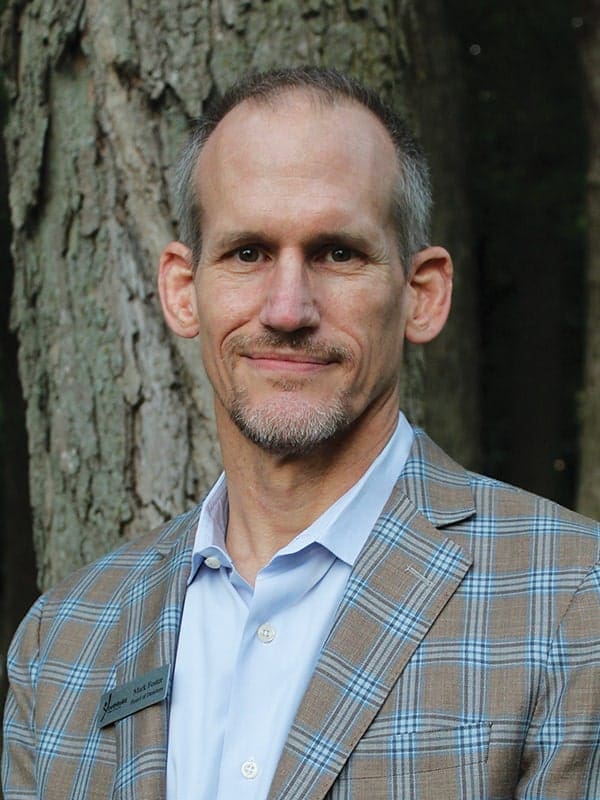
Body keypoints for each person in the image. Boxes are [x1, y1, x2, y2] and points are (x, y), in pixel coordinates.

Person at [3, 66, 599, 800]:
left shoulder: (573, 602)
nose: (288, 309)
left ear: (422, 295)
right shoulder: (61, 643)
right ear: (184, 291)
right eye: (248, 252)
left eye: (337, 253)